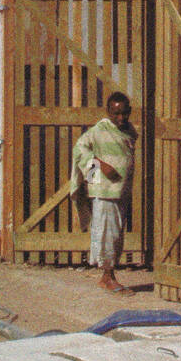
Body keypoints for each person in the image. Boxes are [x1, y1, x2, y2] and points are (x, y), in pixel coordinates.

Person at [70, 92, 137, 292]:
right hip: (105, 192)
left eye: (124, 113)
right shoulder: (98, 131)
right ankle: (107, 277)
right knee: (107, 233)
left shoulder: (129, 131)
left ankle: (109, 275)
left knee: (116, 234)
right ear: (108, 111)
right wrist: (99, 168)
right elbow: (79, 149)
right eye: (116, 113)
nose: (120, 118)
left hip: (121, 191)